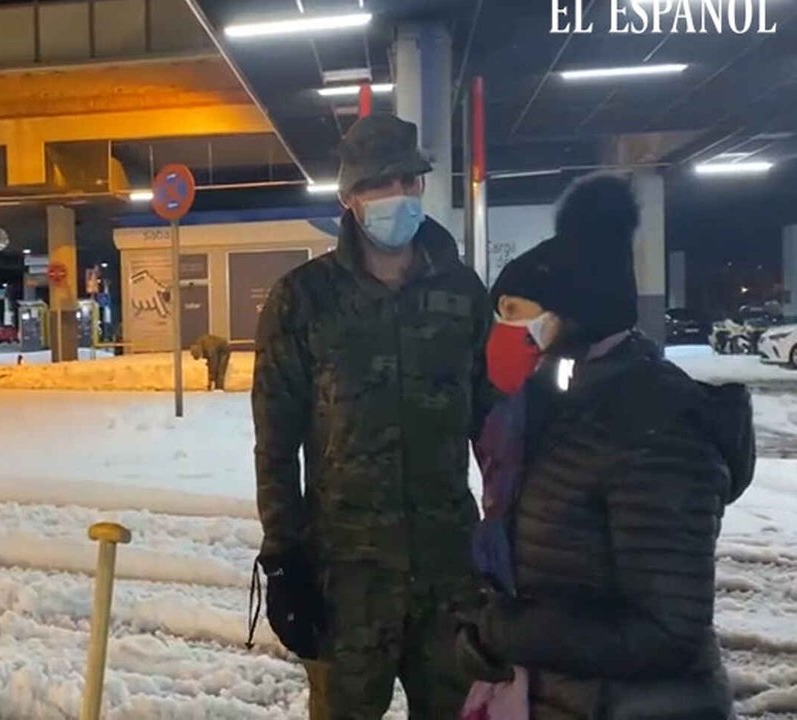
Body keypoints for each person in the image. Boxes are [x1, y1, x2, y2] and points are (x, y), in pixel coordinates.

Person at [457, 174, 755, 719]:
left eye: (516, 311)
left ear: (572, 315)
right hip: (571, 697)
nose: (502, 329)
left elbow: (666, 630)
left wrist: (506, 631)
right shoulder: (563, 407)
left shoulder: (656, 431)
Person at [249, 114, 497, 719]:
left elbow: (496, 432)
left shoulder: (463, 295)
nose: (398, 196)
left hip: (448, 573)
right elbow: (275, 443)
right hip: (346, 578)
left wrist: (511, 537)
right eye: (379, 184)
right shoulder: (303, 300)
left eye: (408, 181)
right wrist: (283, 558)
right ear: (349, 196)